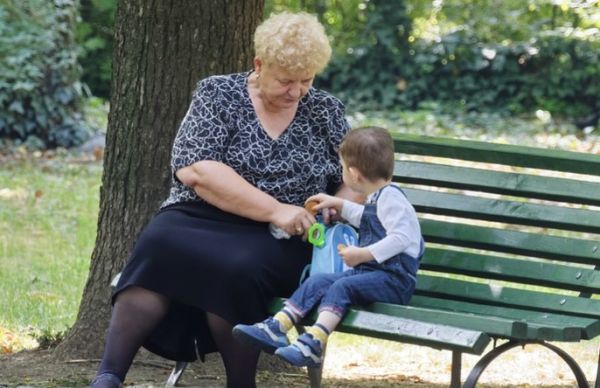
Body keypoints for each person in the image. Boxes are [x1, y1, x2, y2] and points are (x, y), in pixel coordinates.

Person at [91, 12, 358, 388]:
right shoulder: (218, 94)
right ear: (259, 65)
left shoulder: (325, 110)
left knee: (237, 266)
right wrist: (275, 209)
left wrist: (337, 204)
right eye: (285, 80)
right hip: (202, 215)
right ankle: (108, 376)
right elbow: (196, 170)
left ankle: (240, 383)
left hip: (280, 238)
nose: (296, 92)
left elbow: (351, 179)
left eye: (306, 80)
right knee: (159, 242)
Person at [232, 127, 425, 367]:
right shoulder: (379, 196)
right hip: (373, 275)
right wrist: (338, 204)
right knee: (318, 281)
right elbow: (366, 217)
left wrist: (363, 254)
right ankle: (277, 327)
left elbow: (402, 238)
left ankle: (314, 343)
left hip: (394, 282)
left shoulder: (392, 199)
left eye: (342, 167)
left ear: (354, 174)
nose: (342, 171)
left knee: (343, 286)